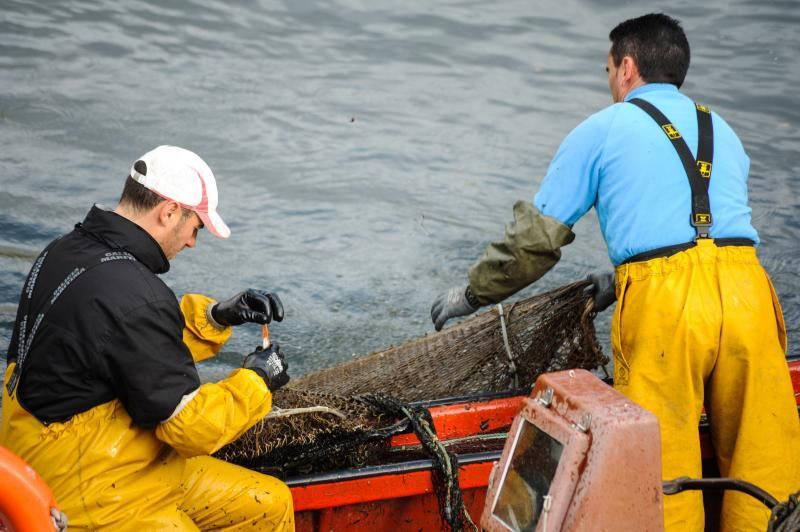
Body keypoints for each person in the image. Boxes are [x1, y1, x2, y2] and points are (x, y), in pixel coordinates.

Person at [430, 13, 799, 531]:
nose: (609, 83)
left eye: (608, 70)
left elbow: (533, 244)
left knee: (662, 469)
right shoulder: (724, 131)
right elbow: (703, 234)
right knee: (766, 453)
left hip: (665, 309)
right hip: (749, 294)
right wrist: (619, 272)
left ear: (627, 67)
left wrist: (472, 293)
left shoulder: (604, 127)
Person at [0, 145, 295, 530]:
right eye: (196, 227)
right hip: (90, 490)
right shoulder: (136, 293)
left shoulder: (67, 251)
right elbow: (190, 429)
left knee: (269, 505)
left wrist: (218, 316)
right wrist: (259, 380)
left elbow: (134, 348)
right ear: (170, 211)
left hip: (43, 456)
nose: (192, 241)